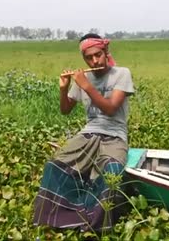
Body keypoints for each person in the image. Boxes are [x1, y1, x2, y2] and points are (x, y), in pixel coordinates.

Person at [33, 34, 135, 232]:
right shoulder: (84, 78)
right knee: (55, 166)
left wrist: (86, 86)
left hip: (114, 136)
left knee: (111, 171)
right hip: (88, 133)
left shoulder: (121, 74)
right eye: (89, 58)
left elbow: (111, 108)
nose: (95, 61)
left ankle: (94, 226)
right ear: (84, 59)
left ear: (106, 53)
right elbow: (65, 110)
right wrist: (63, 89)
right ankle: (59, 218)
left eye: (98, 55)